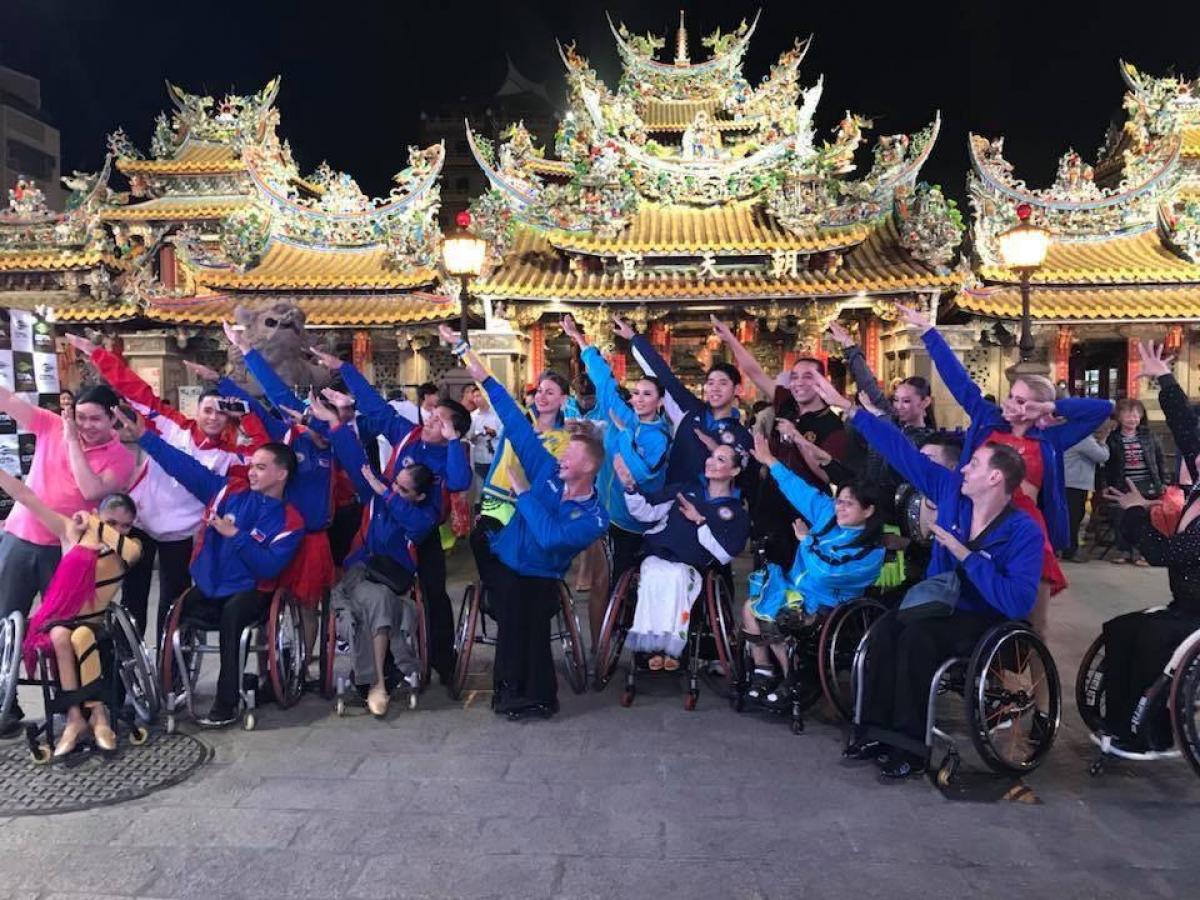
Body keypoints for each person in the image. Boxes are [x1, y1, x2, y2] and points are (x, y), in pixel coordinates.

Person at [843, 398, 1044, 780]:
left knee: (918, 640)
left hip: (982, 617)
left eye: (975, 465)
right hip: (937, 603)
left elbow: (1018, 601)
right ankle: (872, 730)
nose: (963, 468)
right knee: (885, 631)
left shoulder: (1023, 532)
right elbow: (902, 452)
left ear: (996, 478)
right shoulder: (952, 494)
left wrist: (965, 556)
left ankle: (909, 748)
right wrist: (855, 412)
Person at [896, 302, 1112, 632]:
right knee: (971, 603)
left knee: (1034, 623)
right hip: (977, 520)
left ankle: (1033, 683)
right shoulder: (987, 422)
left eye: (1023, 401)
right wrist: (929, 333)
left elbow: (1102, 409)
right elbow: (958, 381)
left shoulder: (1051, 438)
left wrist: (1052, 406)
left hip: (1026, 529)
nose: (1012, 405)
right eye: (1011, 396)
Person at [450, 331, 607, 720]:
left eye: (569, 454)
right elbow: (511, 418)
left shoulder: (594, 516)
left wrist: (523, 495)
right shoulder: (546, 470)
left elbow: (552, 538)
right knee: (516, 608)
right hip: (508, 558)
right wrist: (469, 357)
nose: (562, 458)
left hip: (542, 570)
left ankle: (537, 696)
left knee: (533, 617)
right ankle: (508, 692)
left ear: (588, 466)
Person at [117, 408, 303, 727]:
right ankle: (169, 687)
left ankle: (226, 701)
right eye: (252, 466)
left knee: (233, 619)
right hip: (210, 586)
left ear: (281, 474)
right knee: (176, 611)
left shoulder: (290, 520)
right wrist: (145, 437)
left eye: (260, 467)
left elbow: (270, 567)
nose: (252, 472)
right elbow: (183, 467)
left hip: (251, 592)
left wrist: (238, 537)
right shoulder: (227, 492)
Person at [68, 333, 249, 641]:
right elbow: (136, 390)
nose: (214, 418)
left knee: (172, 606)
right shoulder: (173, 424)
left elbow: (262, 451)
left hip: (179, 536)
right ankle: (128, 671)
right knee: (132, 601)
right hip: (139, 524)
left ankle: (170, 677)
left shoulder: (233, 457)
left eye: (221, 412)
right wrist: (99, 355)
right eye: (208, 410)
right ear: (196, 410)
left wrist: (242, 409)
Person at [309, 346, 471, 687]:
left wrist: (455, 441)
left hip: (420, 531)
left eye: (441, 422)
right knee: (374, 587)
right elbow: (376, 409)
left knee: (434, 595)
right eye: (433, 415)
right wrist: (345, 369)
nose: (431, 421)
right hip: (385, 523)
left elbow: (459, 482)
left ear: (453, 432)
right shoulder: (408, 435)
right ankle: (388, 663)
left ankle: (442, 659)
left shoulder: (449, 456)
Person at [1096, 340, 1200, 750]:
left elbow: (1164, 553)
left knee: (1153, 640)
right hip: (1186, 605)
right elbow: (1186, 428)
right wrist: (1163, 377)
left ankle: (1146, 734)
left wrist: (1138, 511)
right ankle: (1116, 722)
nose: (1194, 455)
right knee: (1121, 629)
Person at [308, 393, 438, 717]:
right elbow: (355, 459)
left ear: (419, 496)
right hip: (360, 574)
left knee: (380, 600)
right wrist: (336, 423)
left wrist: (387, 496)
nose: (395, 490)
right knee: (376, 599)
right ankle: (377, 681)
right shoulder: (376, 495)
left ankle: (373, 681)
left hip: (393, 579)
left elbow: (414, 524)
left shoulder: (419, 518)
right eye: (395, 484)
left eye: (404, 490)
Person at [0, 469, 140, 756]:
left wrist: (97, 524)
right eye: (111, 522)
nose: (118, 529)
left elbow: (131, 553)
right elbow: (27, 497)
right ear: (98, 515)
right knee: (62, 636)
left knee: (80, 637)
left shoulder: (129, 547)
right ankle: (76, 719)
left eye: (124, 525)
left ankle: (98, 715)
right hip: (60, 617)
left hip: (95, 622)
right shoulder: (71, 532)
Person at [742, 432, 885, 703]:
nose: (839, 508)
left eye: (848, 504)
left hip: (825, 606)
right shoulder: (828, 512)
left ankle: (790, 679)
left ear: (868, 511)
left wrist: (807, 542)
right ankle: (763, 671)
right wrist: (771, 461)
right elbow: (799, 490)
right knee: (751, 607)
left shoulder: (870, 551)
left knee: (777, 614)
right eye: (839, 500)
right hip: (795, 589)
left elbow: (828, 573)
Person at [562, 314, 671, 643]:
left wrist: (622, 436)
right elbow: (605, 381)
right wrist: (581, 341)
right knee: (600, 582)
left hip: (637, 524)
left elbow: (640, 475)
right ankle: (599, 648)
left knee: (629, 586)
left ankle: (636, 641)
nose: (638, 399)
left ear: (661, 402)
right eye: (636, 393)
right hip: (606, 514)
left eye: (646, 395)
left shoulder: (658, 437)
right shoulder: (623, 414)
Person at [710, 317, 850, 567]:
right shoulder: (785, 403)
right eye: (794, 377)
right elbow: (754, 372)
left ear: (822, 382)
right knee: (765, 571)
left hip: (804, 509)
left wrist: (798, 439)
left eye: (808, 377)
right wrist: (730, 338)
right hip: (770, 502)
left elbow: (827, 476)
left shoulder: (833, 425)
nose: (797, 383)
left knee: (798, 573)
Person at [0, 384, 135, 621]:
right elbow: (8, 400)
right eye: (80, 417)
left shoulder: (122, 458)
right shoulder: (51, 424)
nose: (86, 425)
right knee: (4, 618)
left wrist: (72, 441)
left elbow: (90, 489)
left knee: (59, 625)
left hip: (69, 547)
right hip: (21, 535)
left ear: (113, 417)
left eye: (95, 419)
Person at [622, 316, 752, 487]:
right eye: (711, 383)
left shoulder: (743, 436)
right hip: (674, 500)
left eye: (723, 383)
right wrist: (635, 339)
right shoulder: (691, 409)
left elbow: (742, 479)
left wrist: (714, 448)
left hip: (712, 509)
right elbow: (664, 376)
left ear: (737, 390)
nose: (715, 388)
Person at [1105, 398, 1166, 566]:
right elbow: (1107, 464)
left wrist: (1163, 481)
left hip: (1147, 483)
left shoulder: (1149, 435)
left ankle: (1141, 553)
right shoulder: (1113, 438)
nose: (1133, 419)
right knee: (1122, 517)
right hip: (1122, 485)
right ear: (1119, 417)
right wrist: (1105, 485)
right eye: (1128, 416)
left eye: (1136, 416)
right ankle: (1124, 550)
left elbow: (1159, 460)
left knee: (1146, 519)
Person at [1062, 423, 1113, 562]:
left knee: (1073, 518)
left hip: (1070, 481)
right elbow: (1102, 456)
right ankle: (1070, 551)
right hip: (1075, 483)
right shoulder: (1082, 437)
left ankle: (1068, 549)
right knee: (1074, 518)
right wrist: (1103, 442)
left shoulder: (1072, 432)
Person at [467, 384, 501, 500]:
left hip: (495, 457)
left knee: (494, 489)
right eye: (474, 396)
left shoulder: (497, 414)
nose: (476, 399)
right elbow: (468, 436)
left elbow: (504, 434)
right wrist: (474, 437)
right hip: (479, 457)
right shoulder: (472, 416)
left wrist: (494, 433)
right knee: (480, 490)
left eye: (479, 396)